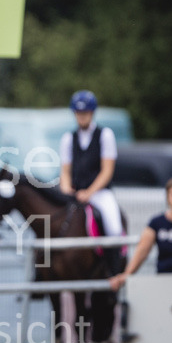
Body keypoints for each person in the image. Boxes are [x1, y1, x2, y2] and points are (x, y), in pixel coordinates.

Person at [59, 90, 124, 244]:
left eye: (85, 112)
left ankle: (114, 265)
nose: (82, 116)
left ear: (92, 112)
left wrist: (89, 192)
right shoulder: (68, 138)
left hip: (99, 193)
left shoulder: (105, 135)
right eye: (78, 112)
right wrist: (67, 189)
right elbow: (65, 171)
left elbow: (107, 171)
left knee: (114, 229)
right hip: (75, 192)